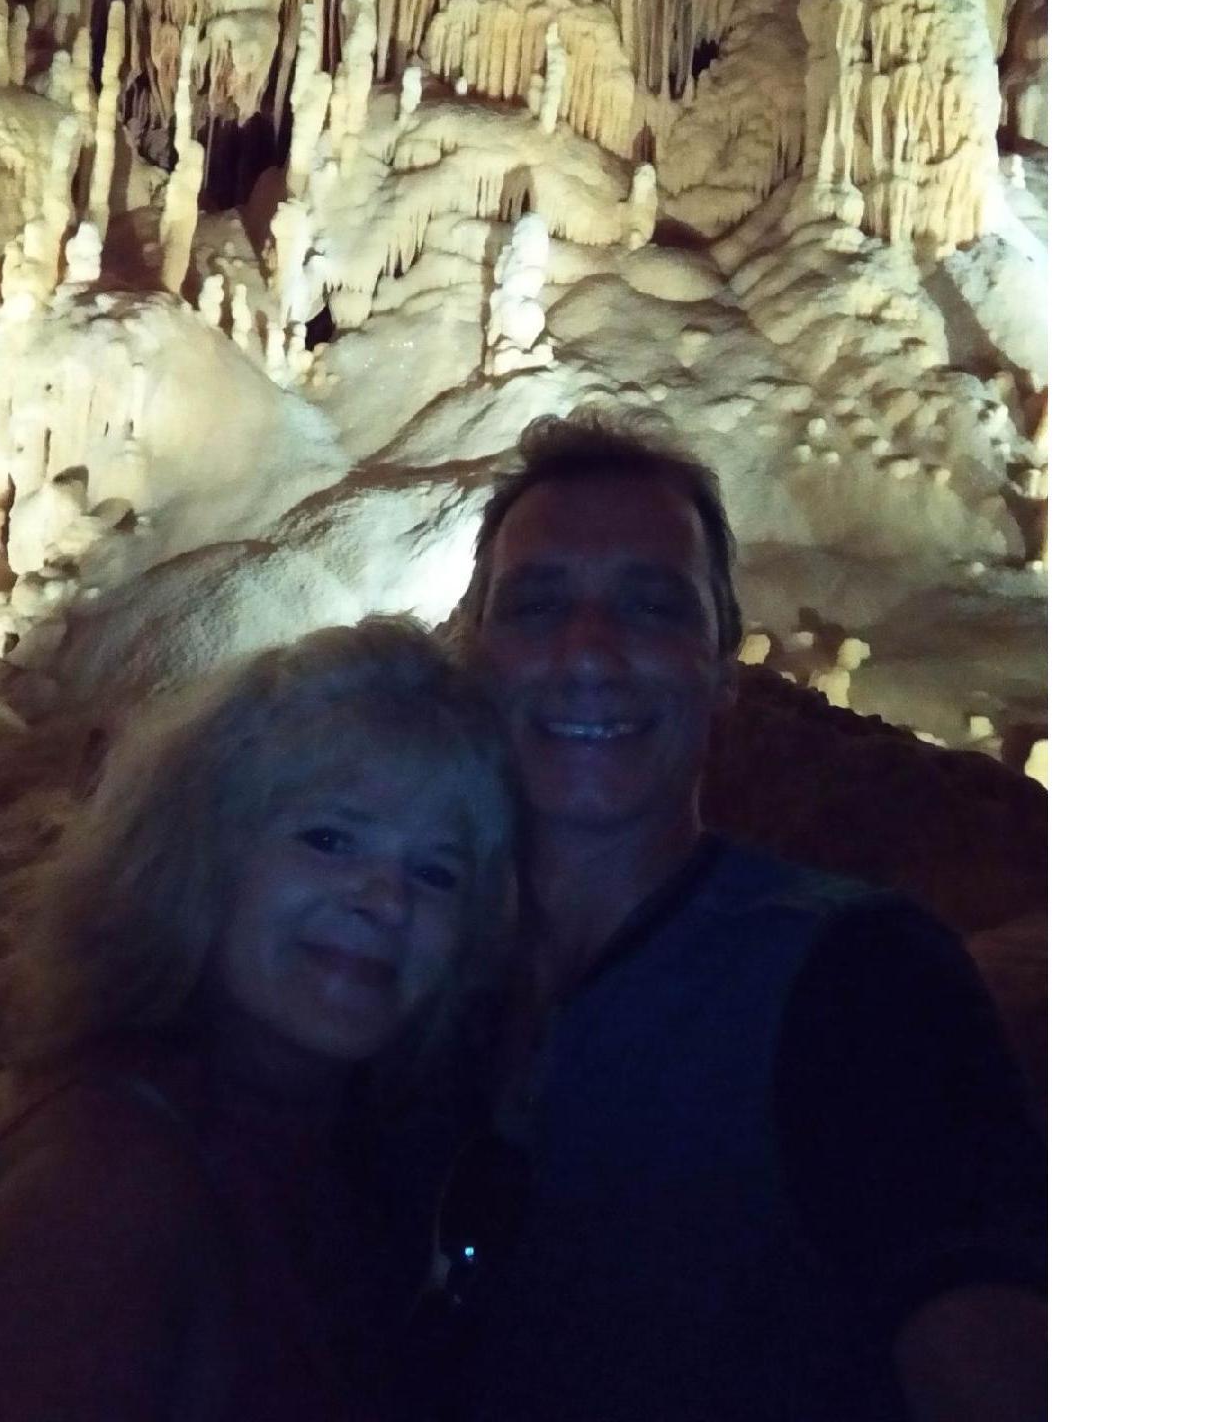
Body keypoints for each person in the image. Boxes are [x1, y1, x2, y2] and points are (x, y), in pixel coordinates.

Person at [434, 412, 1048, 1422]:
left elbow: (974, 1319)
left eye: (652, 606)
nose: (590, 649)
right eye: (538, 605)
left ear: (724, 670)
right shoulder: (389, 974)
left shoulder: (864, 984)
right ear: (473, 659)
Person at [0, 617, 518, 1422]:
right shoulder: (107, 1194)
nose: (386, 899)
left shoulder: (342, 1143)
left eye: (437, 873)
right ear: (202, 854)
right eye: (330, 838)